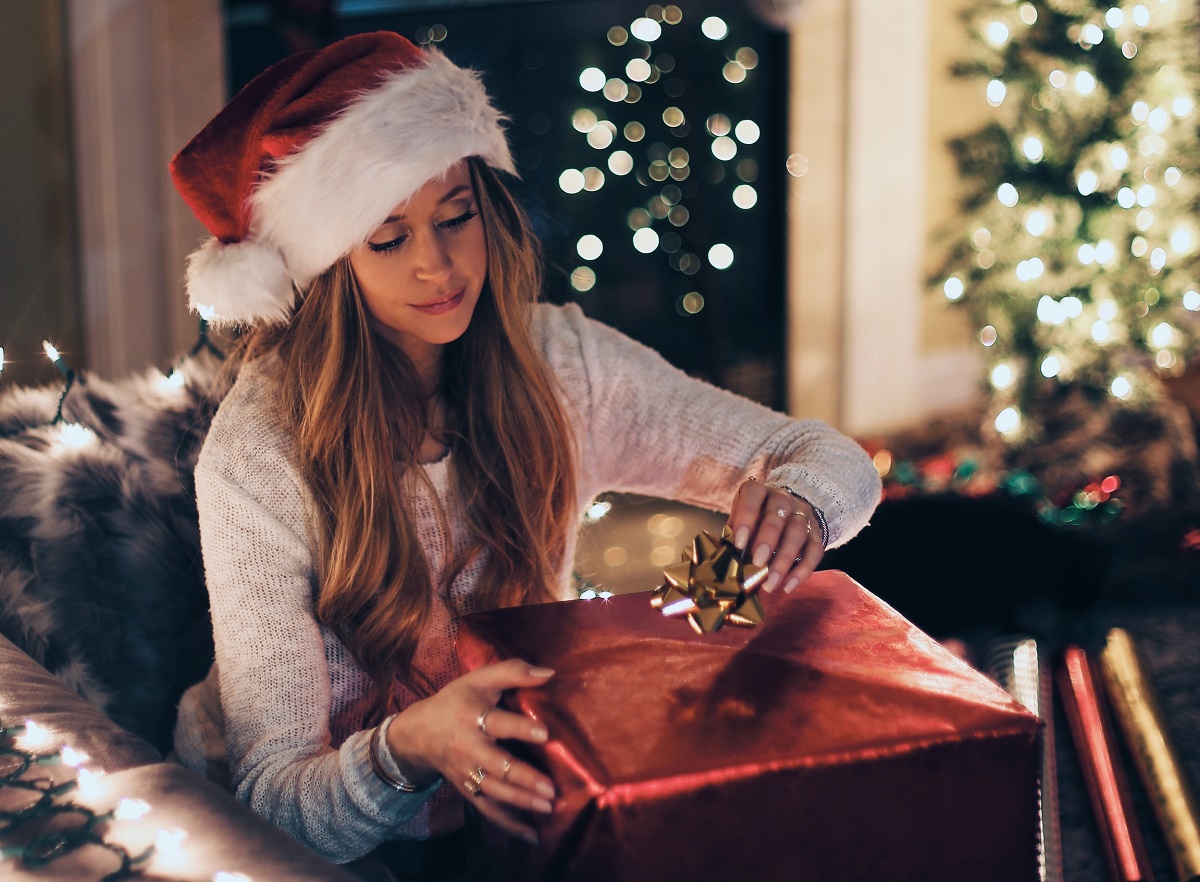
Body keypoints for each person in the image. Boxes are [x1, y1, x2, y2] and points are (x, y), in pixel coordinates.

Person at [169, 30, 881, 880]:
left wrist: (801, 499)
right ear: (326, 266)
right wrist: (406, 751)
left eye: (456, 215)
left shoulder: (560, 364)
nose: (438, 266)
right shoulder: (259, 457)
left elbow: (826, 456)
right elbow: (274, 800)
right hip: (303, 844)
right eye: (387, 239)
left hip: (513, 788)